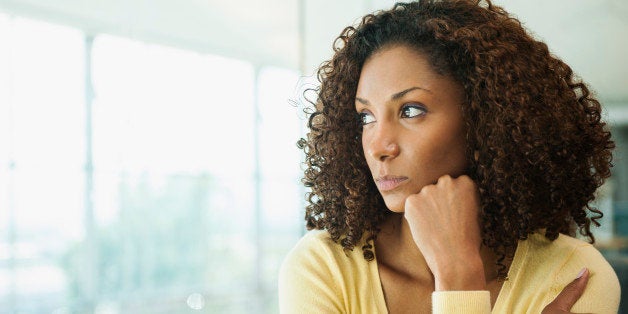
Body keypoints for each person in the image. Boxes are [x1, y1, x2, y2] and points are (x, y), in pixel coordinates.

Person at [279, 0, 620, 313]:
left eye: (411, 110)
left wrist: (458, 275)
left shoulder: (572, 275)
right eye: (365, 117)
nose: (378, 146)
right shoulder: (323, 266)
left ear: (485, 117)